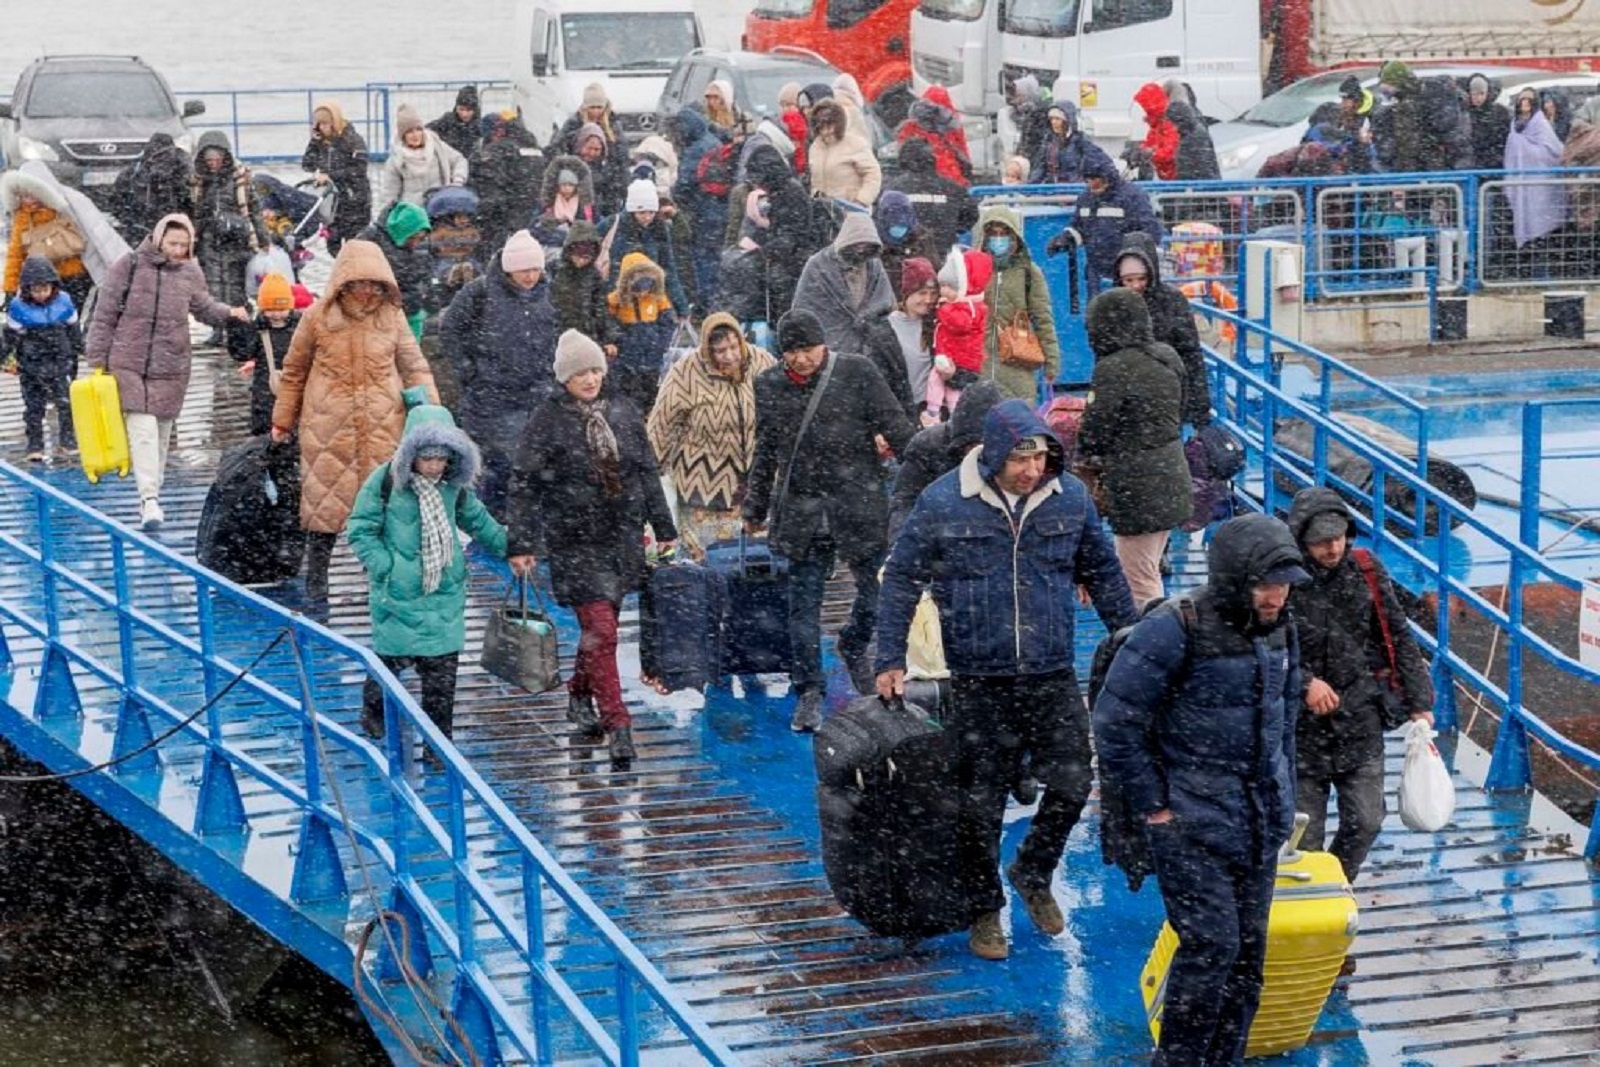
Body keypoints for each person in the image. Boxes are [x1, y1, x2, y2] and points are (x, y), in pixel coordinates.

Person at [876, 399, 1137, 961]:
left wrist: (1133, 640)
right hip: (979, 677)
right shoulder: (945, 501)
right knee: (979, 803)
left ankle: (1033, 869)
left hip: (1049, 671)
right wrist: (889, 656)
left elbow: (1104, 572)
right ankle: (983, 908)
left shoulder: (1070, 500)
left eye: (1040, 458)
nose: (1031, 471)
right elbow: (901, 577)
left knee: (1072, 781)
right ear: (995, 455)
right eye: (1021, 460)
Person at [1093, 513, 1308, 1063]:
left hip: (1257, 821)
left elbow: (1282, 719)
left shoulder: (1282, 626)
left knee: (1247, 959)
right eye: (1266, 584)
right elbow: (1115, 722)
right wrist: (1156, 807)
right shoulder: (1176, 626)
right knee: (1212, 948)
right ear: (1235, 578)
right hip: (1190, 823)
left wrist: (1283, 793)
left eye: (1284, 584)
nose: (1276, 596)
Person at [505, 330, 678, 768]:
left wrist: (663, 525)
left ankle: (579, 695)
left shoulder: (622, 410)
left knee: (599, 633)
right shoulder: (547, 420)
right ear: (564, 377)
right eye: (580, 372)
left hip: (621, 537)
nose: (589, 379)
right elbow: (524, 483)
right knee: (602, 631)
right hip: (575, 540)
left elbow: (645, 470)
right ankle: (618, 724)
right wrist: (522, 542)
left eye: (595, 369)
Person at [742, 309, 915, 731]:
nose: (800, 358)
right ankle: (809, 688)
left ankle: (853, 641)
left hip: (857, 503)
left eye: (808, 348)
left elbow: (896, 427)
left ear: (824, 344)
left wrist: (925, 467)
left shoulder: (857, 372)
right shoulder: (769, 385)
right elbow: (765, 451)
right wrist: (755, 506)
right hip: (802, 510)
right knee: (803, 605)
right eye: (791, 351)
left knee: (877, 594)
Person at [269, 240, 437, 602]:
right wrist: (282, 420)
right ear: (343, 282)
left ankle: (380, 577)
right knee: (325, 509)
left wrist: (434, 420)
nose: (366, 291)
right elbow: (294, 371)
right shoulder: (316, 317)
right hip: (329, 426)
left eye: (373, 283)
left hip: (383, 424)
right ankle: (317, 580)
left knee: (384, 506)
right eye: (359, 283)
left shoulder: (392, 318)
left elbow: (414, 368)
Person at [1287, 488, 1435, 882]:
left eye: (1337, 538)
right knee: (1305, 835)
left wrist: (1420, 702)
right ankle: (1315, 894)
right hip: (1301, 728)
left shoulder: (1366, 571)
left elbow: (1399, 635)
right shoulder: (1281, 582)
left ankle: (1336, 882)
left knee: (1368, 819)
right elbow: (1261, 649)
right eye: (1321, 541)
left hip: (1359, 715)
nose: (1332, 548)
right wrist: (1303, 682)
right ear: (1302, 540)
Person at [349, 403, 507, 756]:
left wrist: (513, 546)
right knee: (392, 660)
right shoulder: (385, 481)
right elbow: (361, 529)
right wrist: (384, 566)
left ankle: (439, 746)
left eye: (442, 458)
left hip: (443, 591)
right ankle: (372, 707)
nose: (434, 465)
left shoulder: (454, 488)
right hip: (399, 592)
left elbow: (478, 522)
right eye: (427, 457)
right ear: (411, 455)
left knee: (441, 674)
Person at [86, 215, 248, 530]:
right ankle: (149, 499)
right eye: (172, 243)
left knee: (160, 435)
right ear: (158, 238)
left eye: (183, 245)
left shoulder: (190, 272)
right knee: (142, 430)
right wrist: (97, 356)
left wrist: (230, 313)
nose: (177, 250)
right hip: (128, 361)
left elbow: (203, 308)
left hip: (171, 364)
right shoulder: (129, 265)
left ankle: (152, 495)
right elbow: (104, 312)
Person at [1076, 289, 1194, 610]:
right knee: (1148, 566)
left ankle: (1156, 644)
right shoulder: (1167, 356)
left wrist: (1084, 451)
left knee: (1138, 578)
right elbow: (1181, 407)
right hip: (1172, 476)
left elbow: (1096, 430)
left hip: (1137, 488)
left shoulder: (1114, 368)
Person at [443, 230, 559, 518]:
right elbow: (450, 329)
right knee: (500, 465)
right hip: (491, 395)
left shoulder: (545, 295)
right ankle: (493, 525)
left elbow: (553, 335)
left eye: (535, 269)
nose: (530, 276)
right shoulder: (480, 292)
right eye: (523, 270)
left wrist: (549, 375)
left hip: (535, 394)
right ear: (509, 269)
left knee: (536, 464)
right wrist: (468, 370)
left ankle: (524, 525)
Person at [647, 313, 777, 555]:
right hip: (704, 489)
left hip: (758, 487)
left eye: (733, 347)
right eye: (719, 351)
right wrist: (649, 476)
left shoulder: (762, 362)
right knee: (713, 565)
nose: (729, 356)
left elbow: (785, 411)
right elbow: (662, 424)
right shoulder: (686, 372)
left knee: (759, 563)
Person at [1112, 234, 1213, 428]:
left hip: (1167, 396)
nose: (1135, 286)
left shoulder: (1172, 301)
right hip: (1130, 399)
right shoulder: (1113, 304)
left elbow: (1191, 354)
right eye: (1128, 280)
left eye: (1141, 278)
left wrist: (1201, 409)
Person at [887, 378, 1001, 541]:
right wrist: (901, 545)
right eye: (972, 446)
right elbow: (905, 502)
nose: (977, 454)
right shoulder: (928, 446)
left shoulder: (1011, 451)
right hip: (938, 538)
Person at [977, 204, 1061, 402]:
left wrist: (1052, 361)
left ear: (1014, 236)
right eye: (993, 233)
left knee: (1019, 422)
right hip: (980, 362)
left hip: (1017, 362)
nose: (998, 239)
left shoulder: (1029, 272)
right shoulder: (974, 268)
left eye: (1004, 233)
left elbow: (1043, 319)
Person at [1047, 152, 1164, 290]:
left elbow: (1150, 231)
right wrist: (1065, 240)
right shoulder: (1085, 199)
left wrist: (1133, 262)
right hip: (1096, 272)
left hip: (1126, 275)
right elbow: (1079, 228)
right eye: (1087, 179)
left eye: (1094, 178)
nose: (1091, 183)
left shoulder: (1132, 196)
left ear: (1106, 176)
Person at [2, 255, 81, 462]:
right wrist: (3, 356)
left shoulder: (64, 302)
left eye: (44, 289)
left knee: (66, 403)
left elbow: (74, 331)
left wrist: (80, 350)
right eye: (35, 290)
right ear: (27, 289)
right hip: (31, 364)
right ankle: (34, 445)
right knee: (34, 407)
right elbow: (9, 338)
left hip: (60, 361)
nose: (40, 294)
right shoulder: (18, 308)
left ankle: (68, 441)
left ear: (53, 286)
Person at [791, 213, 896, 358]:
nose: (860, 250)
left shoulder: (873, 266)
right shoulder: (818, 266)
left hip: (871, 351)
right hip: (828, 349)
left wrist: (870, 323)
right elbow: (804, 311)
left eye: (866, 246)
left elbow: (885, 303)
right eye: (856, 245)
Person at [189, 131, 268, 312]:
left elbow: (254, 209)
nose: (213, 164)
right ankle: (219, 324)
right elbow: (194, 211)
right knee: (213, 285)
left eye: (217, 159)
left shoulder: (241, 179)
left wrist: (263, 239)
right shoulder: (197, 181)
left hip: (236, 239)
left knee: (236, 285)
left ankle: (238, 324)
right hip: (209, 239)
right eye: (209, 161)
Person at [744, 143, 823, 320]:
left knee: (786, 304)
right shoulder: (781, 190)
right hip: (790, 258)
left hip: (794, 262)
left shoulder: (789, 192)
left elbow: (792, 234)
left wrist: (765, 249)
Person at [2, 169, 92, 310]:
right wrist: (10, 288)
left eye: (32, 193)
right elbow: (15, 256)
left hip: (71, 277)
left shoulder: (61, 210)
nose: (28, 199)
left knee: (66, 318)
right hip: (46, 282)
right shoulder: (22, 218)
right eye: (24, 195)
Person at [226, 271, 301, 436]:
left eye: (281, 308)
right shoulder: (257, 329)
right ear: (262, 308)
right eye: (270, 309)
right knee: (266, 435)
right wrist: (235, 327)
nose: (276, 314)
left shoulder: (301, 327)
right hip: (265, 394)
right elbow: (241, 353)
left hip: (296, 391)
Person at [670, 107, 731, 308]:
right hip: (720, 209)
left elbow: (684, 184)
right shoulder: (714, 141)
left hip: (704, 211)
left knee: (703, 259)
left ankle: (707, 304)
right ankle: (717, 301)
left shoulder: (695, 149)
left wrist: (674, 196)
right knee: (715, 258)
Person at [604, 251, 678, 417]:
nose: (642, 293)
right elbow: (608, 322)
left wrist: (661, 343)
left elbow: (667, 322)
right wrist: (616, 340)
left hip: (652, 354)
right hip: (627, 356)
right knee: (629, 392)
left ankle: (648, 416)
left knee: (651, 390)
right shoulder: (616, 300)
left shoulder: (658, 298)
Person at [601, 179, 690, 316]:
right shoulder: (612, 225)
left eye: (651, 212)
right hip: (616, 300)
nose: (647, 218)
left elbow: (668, 269)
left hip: (648, 298)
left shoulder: (659, 229)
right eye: (642, 212)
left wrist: (681, 305)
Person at [884, 138, 977, 264]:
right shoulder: (952, 188)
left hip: (903, 263)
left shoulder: (892, 190)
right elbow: (970, 216)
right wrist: (949, 228)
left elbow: (881, 221)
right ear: (932, 159)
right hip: (944, 260)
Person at [926, 247, 991, 426]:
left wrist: (943, 309)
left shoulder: (969, 306)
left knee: (951, 388)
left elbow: (960, 324)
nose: (944, 291)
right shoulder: (958, 304)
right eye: (942, 286)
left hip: (962, 360)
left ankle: (947, 415)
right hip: (950, 356)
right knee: (940, 383)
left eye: (950, 287)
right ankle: (934, 411)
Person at [302, 100, 373, 256]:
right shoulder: (321, 142)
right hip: (332, 204)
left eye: (326, 123)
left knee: (355, 245)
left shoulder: (353, 140)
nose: (322, 128)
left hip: (354, 201)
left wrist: (331, 176)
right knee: (333, 245)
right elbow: (307, 164)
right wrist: (314, 142)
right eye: (319, 124)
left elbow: (359, 169)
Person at [1505, 87, 1569, 252]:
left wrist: (1525, 149)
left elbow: (1553, 152)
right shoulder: (1514, 125)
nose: (1525, 103)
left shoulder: (1540, 124)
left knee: (1540, 225)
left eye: (1529, 99)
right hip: (1521, 181)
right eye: (1522, 99)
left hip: (1539, 184)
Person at [359, 202, 434, 338]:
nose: (416, 243)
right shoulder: (371, 238)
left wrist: (422, 294)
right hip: (380, 309)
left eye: (421, 238)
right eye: (412, 238)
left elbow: (425, 276)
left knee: (410, 354)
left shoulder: (423, 244)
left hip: (412, 309)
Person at [382, 105, 469, 208]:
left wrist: (457, 181)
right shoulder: (396, 159)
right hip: (412, 213)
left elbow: (459, 160)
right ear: (403, 135)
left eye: (418, 129)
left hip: (439, 208)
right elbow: (390, 193)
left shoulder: (436, 146)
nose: (415, 135)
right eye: (409, 132)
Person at [111, 133, 192, 243]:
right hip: (177, 231)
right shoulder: (185, 168)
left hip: (142, 231)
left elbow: (116, 203)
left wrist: (131, 221)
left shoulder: (134, 172)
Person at [550, 221, 615, 345]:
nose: (581, 261)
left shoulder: (594, 276)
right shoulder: (554, 270)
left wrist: (608, 338)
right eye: (577, 256)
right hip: (558, 334)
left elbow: (601, 309)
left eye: (586, 258)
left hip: (586, 335)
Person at [807, 100, 881, 207]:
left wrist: (861, 201)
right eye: (821, 125)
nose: (826, 129)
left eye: (830, 123)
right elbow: (815, 181)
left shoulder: (855, 143)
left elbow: (873, 174)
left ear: (839, 123)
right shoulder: (814, 147)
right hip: (824, 212)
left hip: (852, 210)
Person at [887, 256, 938, 409]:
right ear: (907, 293)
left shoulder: (939, 324)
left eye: (933, 293)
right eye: (922, 293)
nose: (928, 300)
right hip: (898, 408)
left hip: (930, 411)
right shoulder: (887, 327)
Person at [895, 85, 972, 185]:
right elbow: (964, 157)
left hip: (919, 180)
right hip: (952, 180)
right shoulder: (951, 127)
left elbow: (903, 156)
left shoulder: (910, 127)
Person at [1028, 102, 1105, 185]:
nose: (1053, 122)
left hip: (1074, 190)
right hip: (1052, 190)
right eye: (1051, 119)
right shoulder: (1049, 141)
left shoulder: (1081, 140)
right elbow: (1041, 168)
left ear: (1067, 121)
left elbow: (1093, 166)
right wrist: (1030, 187)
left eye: (1057, 119)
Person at [531, 156, 598, 249]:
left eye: (571, 185)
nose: (567, 188)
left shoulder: (586, 207)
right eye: (563, 184)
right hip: (549, 247)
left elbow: (592, 230)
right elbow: (535, 229)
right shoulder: (548, 204)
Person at [873, 189, 924, 299]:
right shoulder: (872, 243)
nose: (898, 218)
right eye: (890, 212)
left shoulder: (922, 239)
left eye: (903, 211)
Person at [1134, 83, 1181, 181]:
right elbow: (1150, 144)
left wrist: (1150, 153)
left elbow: (1169, 153)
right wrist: (1140, 149)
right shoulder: (1157, 125)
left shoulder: (1168, 124)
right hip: (1166, 177)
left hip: (1173, 179)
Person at [1465, 74, 1512, 171]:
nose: (1478, 98)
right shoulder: (1466, 112)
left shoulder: (1499, 112)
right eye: (1474, 94)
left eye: (1481, 94)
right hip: (1473, 164)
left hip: (1493, 164)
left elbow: (1504, 137)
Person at [1006, 75, 1053, 168]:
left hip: (1037, 161)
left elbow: (1037, 139)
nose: (1015, 101)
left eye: (1019, 96)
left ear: (1028, 94)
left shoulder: (1040, 114)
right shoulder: (1026, 114)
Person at [1168, 99, 1221, 180]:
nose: (1172, 126)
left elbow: (1200, 169)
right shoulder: (1194, 131)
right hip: (1201, 184)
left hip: (1198, 187)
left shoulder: (1192, 138)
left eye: (1172, 123)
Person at [428, 85, 483, 159]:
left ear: (475, 109)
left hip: (471, 166)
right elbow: (426, 130)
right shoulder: (447, 120)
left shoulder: (480, 126)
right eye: (461, 109)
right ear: (456, 107)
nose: (464, 114)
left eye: (469, 110)